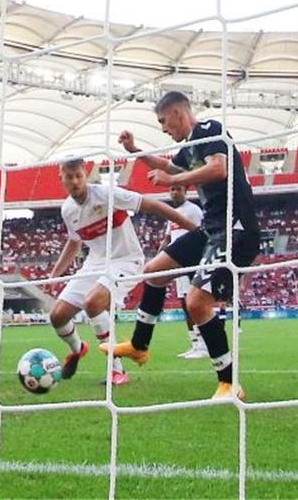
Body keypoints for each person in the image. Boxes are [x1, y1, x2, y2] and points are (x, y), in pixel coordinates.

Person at [103, 91, 261, 399]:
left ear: (177, 113)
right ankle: (139, 346)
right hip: (211, 228)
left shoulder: (209, 130)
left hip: (235, 227)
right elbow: (171, 168)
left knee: (197, 303)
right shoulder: (190, 147)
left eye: (163, 121)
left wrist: (173, 180)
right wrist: (136, 151)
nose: (164, 129)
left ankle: (230, 383)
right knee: (154, 272)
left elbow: (219, 169)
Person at [46, 158, 199, 385]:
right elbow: (74, 242)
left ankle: (116, 370)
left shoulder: (107, 194)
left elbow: (153, 205)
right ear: (62, 179)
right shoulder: (67, 210)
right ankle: (78, 349)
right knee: (57, 316)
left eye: (79, 175)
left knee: (93, 303)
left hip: (125, 260)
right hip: (94, 263)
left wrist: (194, 230)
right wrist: (56, 274)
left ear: (85, 175)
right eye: (70, 177)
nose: (75, 181)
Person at [163, 184, 206, 359]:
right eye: (172, 189)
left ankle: (204, 344)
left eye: (178, 189)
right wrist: (159, 256)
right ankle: (194, 344)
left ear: (185, 191)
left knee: (194, 302)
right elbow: (167, 238)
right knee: (184, 303)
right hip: (177, 262)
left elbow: (201, 233)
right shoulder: (171, 215)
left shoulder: (193, 210)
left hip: (191, 261)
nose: (174, 192)